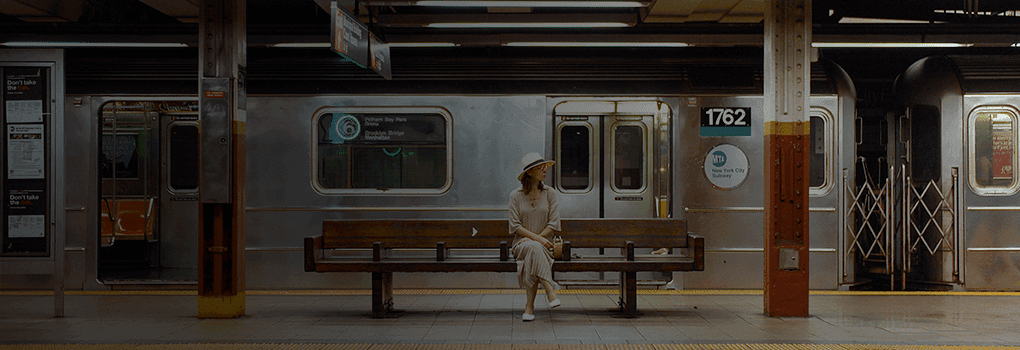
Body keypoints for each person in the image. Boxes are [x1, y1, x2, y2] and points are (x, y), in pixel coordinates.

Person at [509, 152, 562, 321]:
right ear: (530, 172)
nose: (545, 170)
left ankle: (529, 307)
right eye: (541, 167)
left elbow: (553, 223)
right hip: (521, 244)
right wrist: (537, 239)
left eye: (546, 167)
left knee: (533, 250)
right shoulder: (515, 195)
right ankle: (550, 290)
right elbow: (515, 226)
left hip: (544, 244)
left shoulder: (550, 193)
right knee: (533, 247)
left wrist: (536, 239)